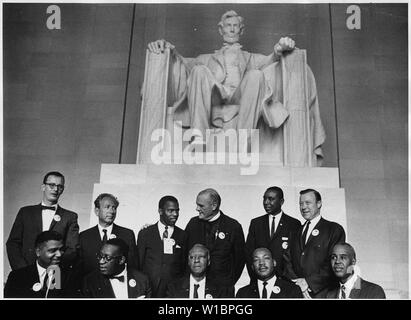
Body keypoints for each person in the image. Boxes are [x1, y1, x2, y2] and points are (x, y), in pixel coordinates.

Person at [147, 10, 296, 140]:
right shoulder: (205, 59)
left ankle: (244, 138)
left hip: (240, 94)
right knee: (198, 70)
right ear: (221, 30)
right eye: (228, 25)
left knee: (256, 75)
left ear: (241, 30)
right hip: (216, 94)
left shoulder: (251, 57)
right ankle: (199, 135)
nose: (231, 29)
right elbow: (183, 63)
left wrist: (279, 48)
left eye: (235, 26)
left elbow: (270, 60)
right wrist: (168, 49)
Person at [6, 171, 79, 270]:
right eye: (52, 185)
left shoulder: (70, 216)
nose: (56, 189)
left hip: (55, 273)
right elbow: (13, 243)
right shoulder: (25, 212)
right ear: (43, 187)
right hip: (25, 270)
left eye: (59, 186)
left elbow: (72, 249)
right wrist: (22, 269)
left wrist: (55, 267)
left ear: (63, 190)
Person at [284, 188, 346, 298]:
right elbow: (287, 261)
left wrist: (308, 282)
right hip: (297, 293)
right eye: (301, 204)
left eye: (308, 203)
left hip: (324, 294)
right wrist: (298, 284)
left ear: (319, 204)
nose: (303, 207)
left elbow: (334, 263)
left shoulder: (333, 229)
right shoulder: (295, 232)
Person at [185, 188, 245, 294]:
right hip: (197, 288)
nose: (197, 208)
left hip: (223, 289)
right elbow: (185, 253)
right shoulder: (193, 224)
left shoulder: (233, 226)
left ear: (214, 205)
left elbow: (239, 260)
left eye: (201, 206)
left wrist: (228, 283)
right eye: (197, 205)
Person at [137, 195, 188, 297]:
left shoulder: (183, 235)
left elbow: (184, 265)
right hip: (149, 287)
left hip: (173, 289)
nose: (175, 214)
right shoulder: (145, 233)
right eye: (170, 210)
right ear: (160, 211)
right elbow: (139, 262)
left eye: (177, 210)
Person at [245, 186, 301, 279]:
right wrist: (256, 278)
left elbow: (295, 256)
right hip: (260, 280)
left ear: (281, 201)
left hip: (284, 281)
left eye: (271, 199)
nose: (266, 202)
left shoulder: (293, 224)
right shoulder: (256, 223)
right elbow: (249, 254)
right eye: (264, 199)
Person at [4, 231, 81, 298]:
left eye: (61, 250)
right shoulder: (17, 277)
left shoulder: (70, 277)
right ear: (38, 252)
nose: (59, 254)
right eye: (52, 250)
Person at [79, 193, 138, 276]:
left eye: (114, 208)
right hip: (91, 286)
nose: (112, 211)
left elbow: (133, 266)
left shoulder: (127, 235)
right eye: (107, 207)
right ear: (97, 211)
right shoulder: (84, 236)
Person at [82, 238, 151, 298]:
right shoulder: (90, 282)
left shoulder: (142, 280)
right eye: (100, 256)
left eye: (107, 258)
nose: (101, 261)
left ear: (121, 260)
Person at [166, 244, 232, 298]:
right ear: (188, 262)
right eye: (192, 257)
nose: (196, 260)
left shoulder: (221, 290)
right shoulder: (174, 288)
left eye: (201, 256)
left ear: (208, 261)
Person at [236, 248, 302, 298]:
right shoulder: (242, 294)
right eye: (256, 260)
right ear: (252, 267)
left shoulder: (292, 290)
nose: (261, 263)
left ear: (274, 263)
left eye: (266, 258)